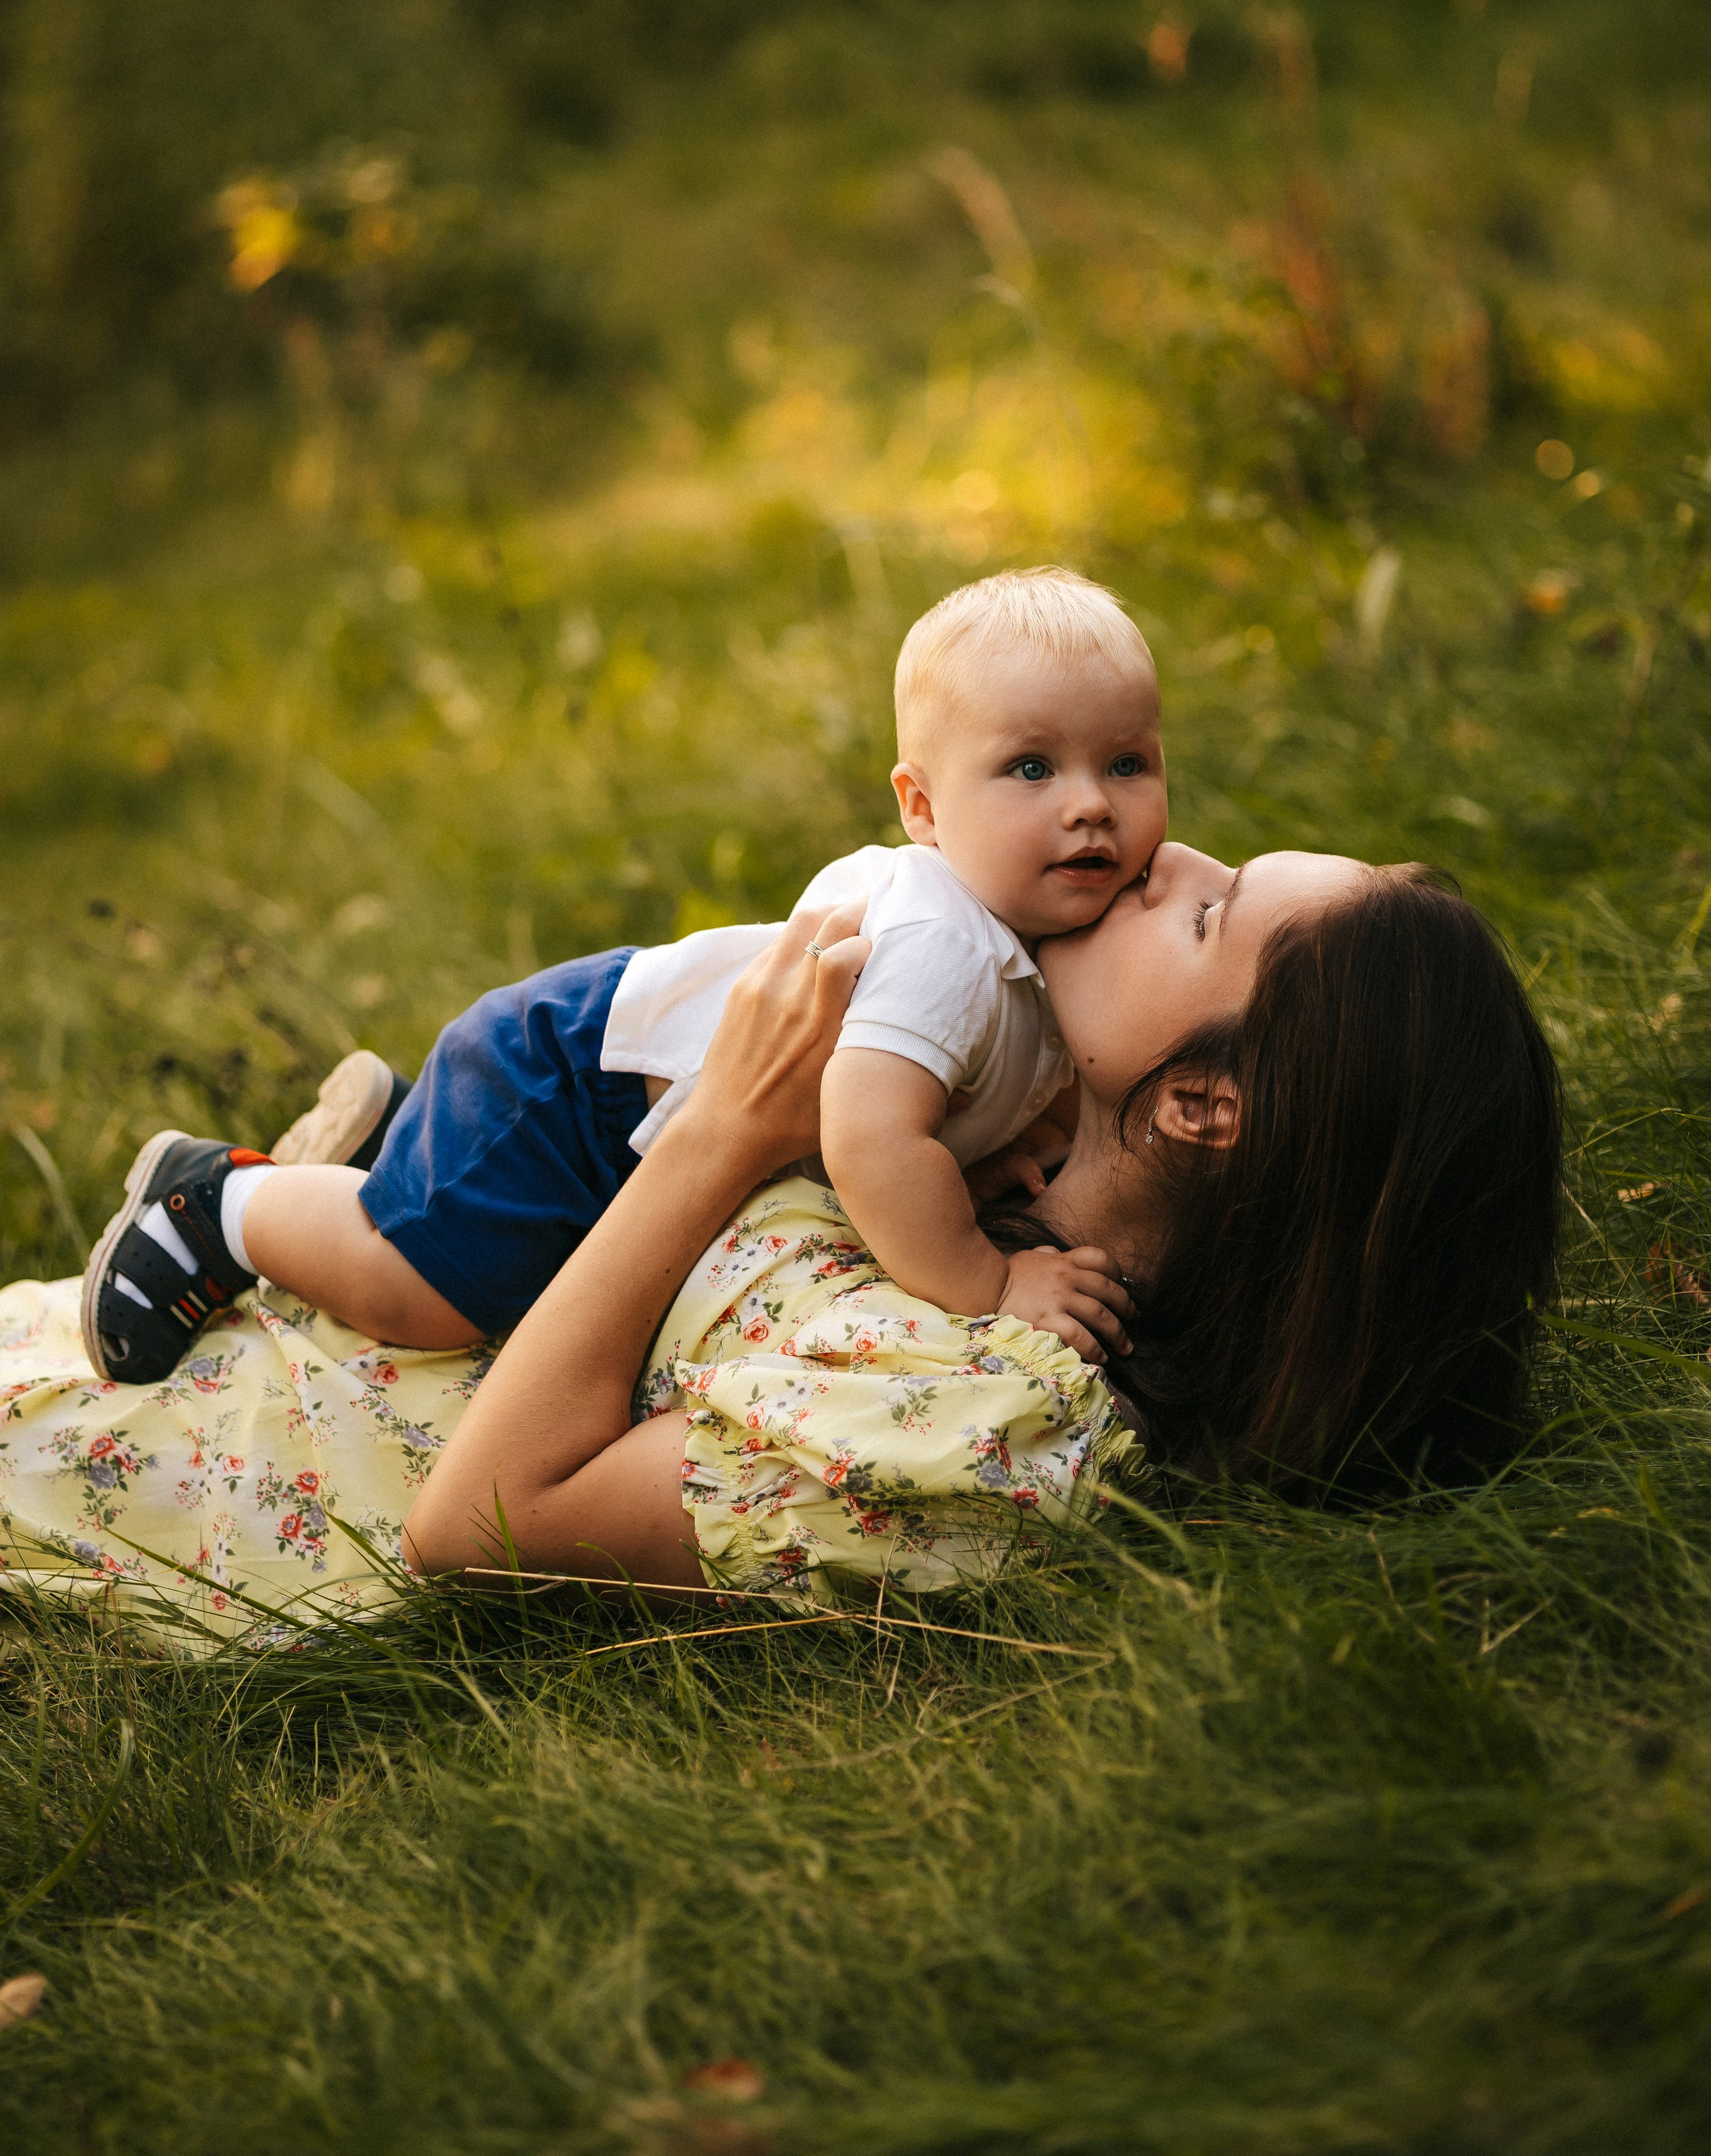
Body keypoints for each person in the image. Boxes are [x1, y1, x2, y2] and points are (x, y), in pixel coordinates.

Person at [80, 567, 1166, 1384]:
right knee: (426, 1300)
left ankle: (385, 1146)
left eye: (1127, 762)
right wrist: (990, 1282)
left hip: (615, 1079)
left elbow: (950, 1090)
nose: (1089, 803)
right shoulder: (949, 943)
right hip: (572, 1092)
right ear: (921, 808)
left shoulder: (1028, 923)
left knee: (496, 1256)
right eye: (1032, 767)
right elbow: (873, 1139)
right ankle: (225, 1201)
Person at [401, 840, 1563, 1593]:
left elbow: (477, 1526)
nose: (1166, 859)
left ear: (1207, 1106)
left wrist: (725, 1133)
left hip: (248, 1453)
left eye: (1211, 916)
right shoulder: (992, 1150)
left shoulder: (993, 1416)